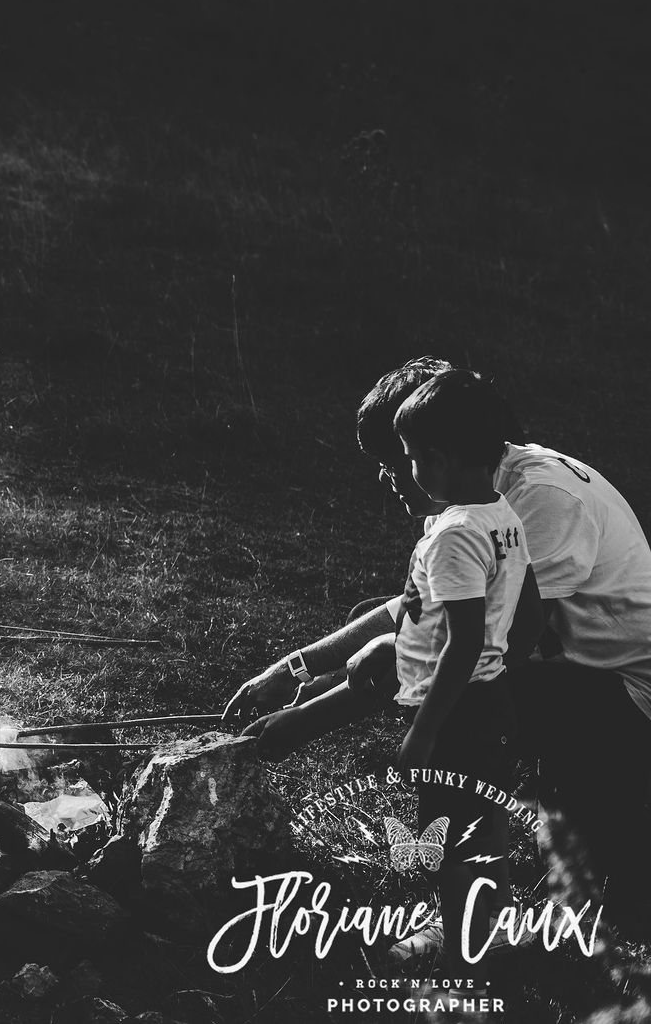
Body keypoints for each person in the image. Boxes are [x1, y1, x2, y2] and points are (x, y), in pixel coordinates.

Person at [227, 356, 651, 932]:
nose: (389, 478)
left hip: (623, 696)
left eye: (397, 460)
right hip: (562, 664)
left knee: (461, 726)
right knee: (385, 644)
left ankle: (483, 917)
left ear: (440, 452)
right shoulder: (471, 496)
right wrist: (295, 667)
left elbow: (474, 649)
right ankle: (488, 894)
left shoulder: (542, 502)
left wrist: (306, 722)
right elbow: (414, 610)